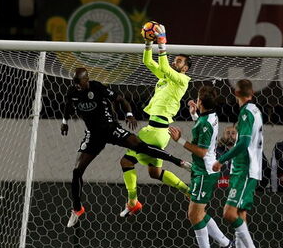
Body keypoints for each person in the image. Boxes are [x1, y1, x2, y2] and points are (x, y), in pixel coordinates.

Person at [62, 67, 188, 228]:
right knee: (77, 171)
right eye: (74, 83)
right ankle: (77, 209)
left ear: (86, 79)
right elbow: (68, 105)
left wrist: (129, 114)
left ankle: (179, 162)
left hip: (111, 129)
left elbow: (120, 99)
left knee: (140, 147)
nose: (77, 85)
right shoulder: (73, 92)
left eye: (79, 82)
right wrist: (64, 122)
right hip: (93, 135)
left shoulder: (97, 87)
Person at [119, 23, 191, 217]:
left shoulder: (182, 80)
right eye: (175, 60)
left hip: (156, 131)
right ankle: (187, 190)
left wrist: (162, 44)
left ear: (185, 68)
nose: (175, 63)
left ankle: (133, 201)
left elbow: (166, 68)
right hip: (155, 130)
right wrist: (148, 43)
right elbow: (148, 63)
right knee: (154, 173)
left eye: (179, 61)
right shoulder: (167, 78)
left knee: (126, 161)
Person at [168, 86, 233, 248]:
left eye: (197, 99)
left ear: (201, 102)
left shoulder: (205, 123)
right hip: (201, 170)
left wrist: (179, 140)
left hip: (205, 172)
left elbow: (203, 152)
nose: (195, 100)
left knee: (194, 215)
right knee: (199, 213)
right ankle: (225, 243)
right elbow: (203, 131)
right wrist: (194, 114)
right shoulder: (208, 117)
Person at [212, 79, 264, 248]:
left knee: (229, 213)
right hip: (247, 168)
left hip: (245, 168)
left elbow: (243, 144)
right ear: (252, 93)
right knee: (241, 213)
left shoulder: (246, 113)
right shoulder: (256, 111)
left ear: (235, 93)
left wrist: (221, 160)